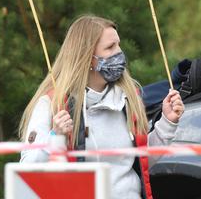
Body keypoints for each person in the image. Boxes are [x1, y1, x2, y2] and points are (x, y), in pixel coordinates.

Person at [19, 15, 184, 199]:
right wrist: (55, 138)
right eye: (110, 47)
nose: (119, 52)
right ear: (88, 57)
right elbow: (28, 168)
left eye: (118, 45)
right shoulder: (52, 103)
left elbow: (142, 161)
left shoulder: (129, 99)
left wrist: (168, 123)